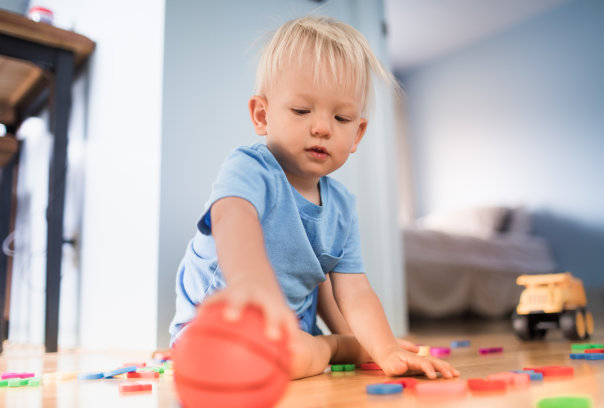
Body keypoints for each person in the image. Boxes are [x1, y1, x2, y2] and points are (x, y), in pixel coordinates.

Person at [169, 15, 460, 380]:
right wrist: (253, 288)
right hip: (216, 327)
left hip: (289, 333)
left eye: (341, 118)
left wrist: (386, 350)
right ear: (262, 115)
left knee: (305, 307)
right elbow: (232, 219)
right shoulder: (250, 168)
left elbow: (354, 291)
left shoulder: (341, 206)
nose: (322, 127)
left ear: (357, 135)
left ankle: (350, 343)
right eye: (302, 111)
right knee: (261, 356)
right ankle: (337, 346)